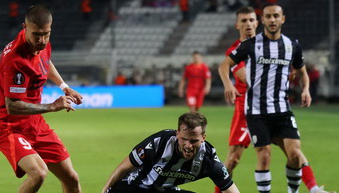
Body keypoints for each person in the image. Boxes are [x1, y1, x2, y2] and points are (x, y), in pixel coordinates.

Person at [215, 6, 335, 193]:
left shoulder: (287, 46)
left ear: (257, 22)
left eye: (251, 20)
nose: (248, 24)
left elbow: (299, 70)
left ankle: (313, 188)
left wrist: (296, 82)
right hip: (247, 106)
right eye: (244, 20)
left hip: (278, 108)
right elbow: (244, 76)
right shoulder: (242, 48)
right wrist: (275, 73)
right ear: (237, 24)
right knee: (234, 159)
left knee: (293, 151)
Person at [0, 5, 83, 193]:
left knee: (71, 178)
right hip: (10, 127)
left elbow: (45, 61)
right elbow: (13, 107)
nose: (42, 40)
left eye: (46, 34)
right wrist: (51, 106)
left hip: (35, 124)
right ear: (24, 27)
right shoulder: (15, 59)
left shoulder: (41, 44)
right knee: (39, 173)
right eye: (37, 35)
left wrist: (64, 86)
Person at [101, 112, 240, 193]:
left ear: (203, 138)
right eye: (184, 139)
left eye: (193, 141)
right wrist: (105, 190)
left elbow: (230, 189)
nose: (188, 146)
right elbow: (124, 167)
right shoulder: (158, 143)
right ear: (177, 133)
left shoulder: (209, 159)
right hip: (134, 187)